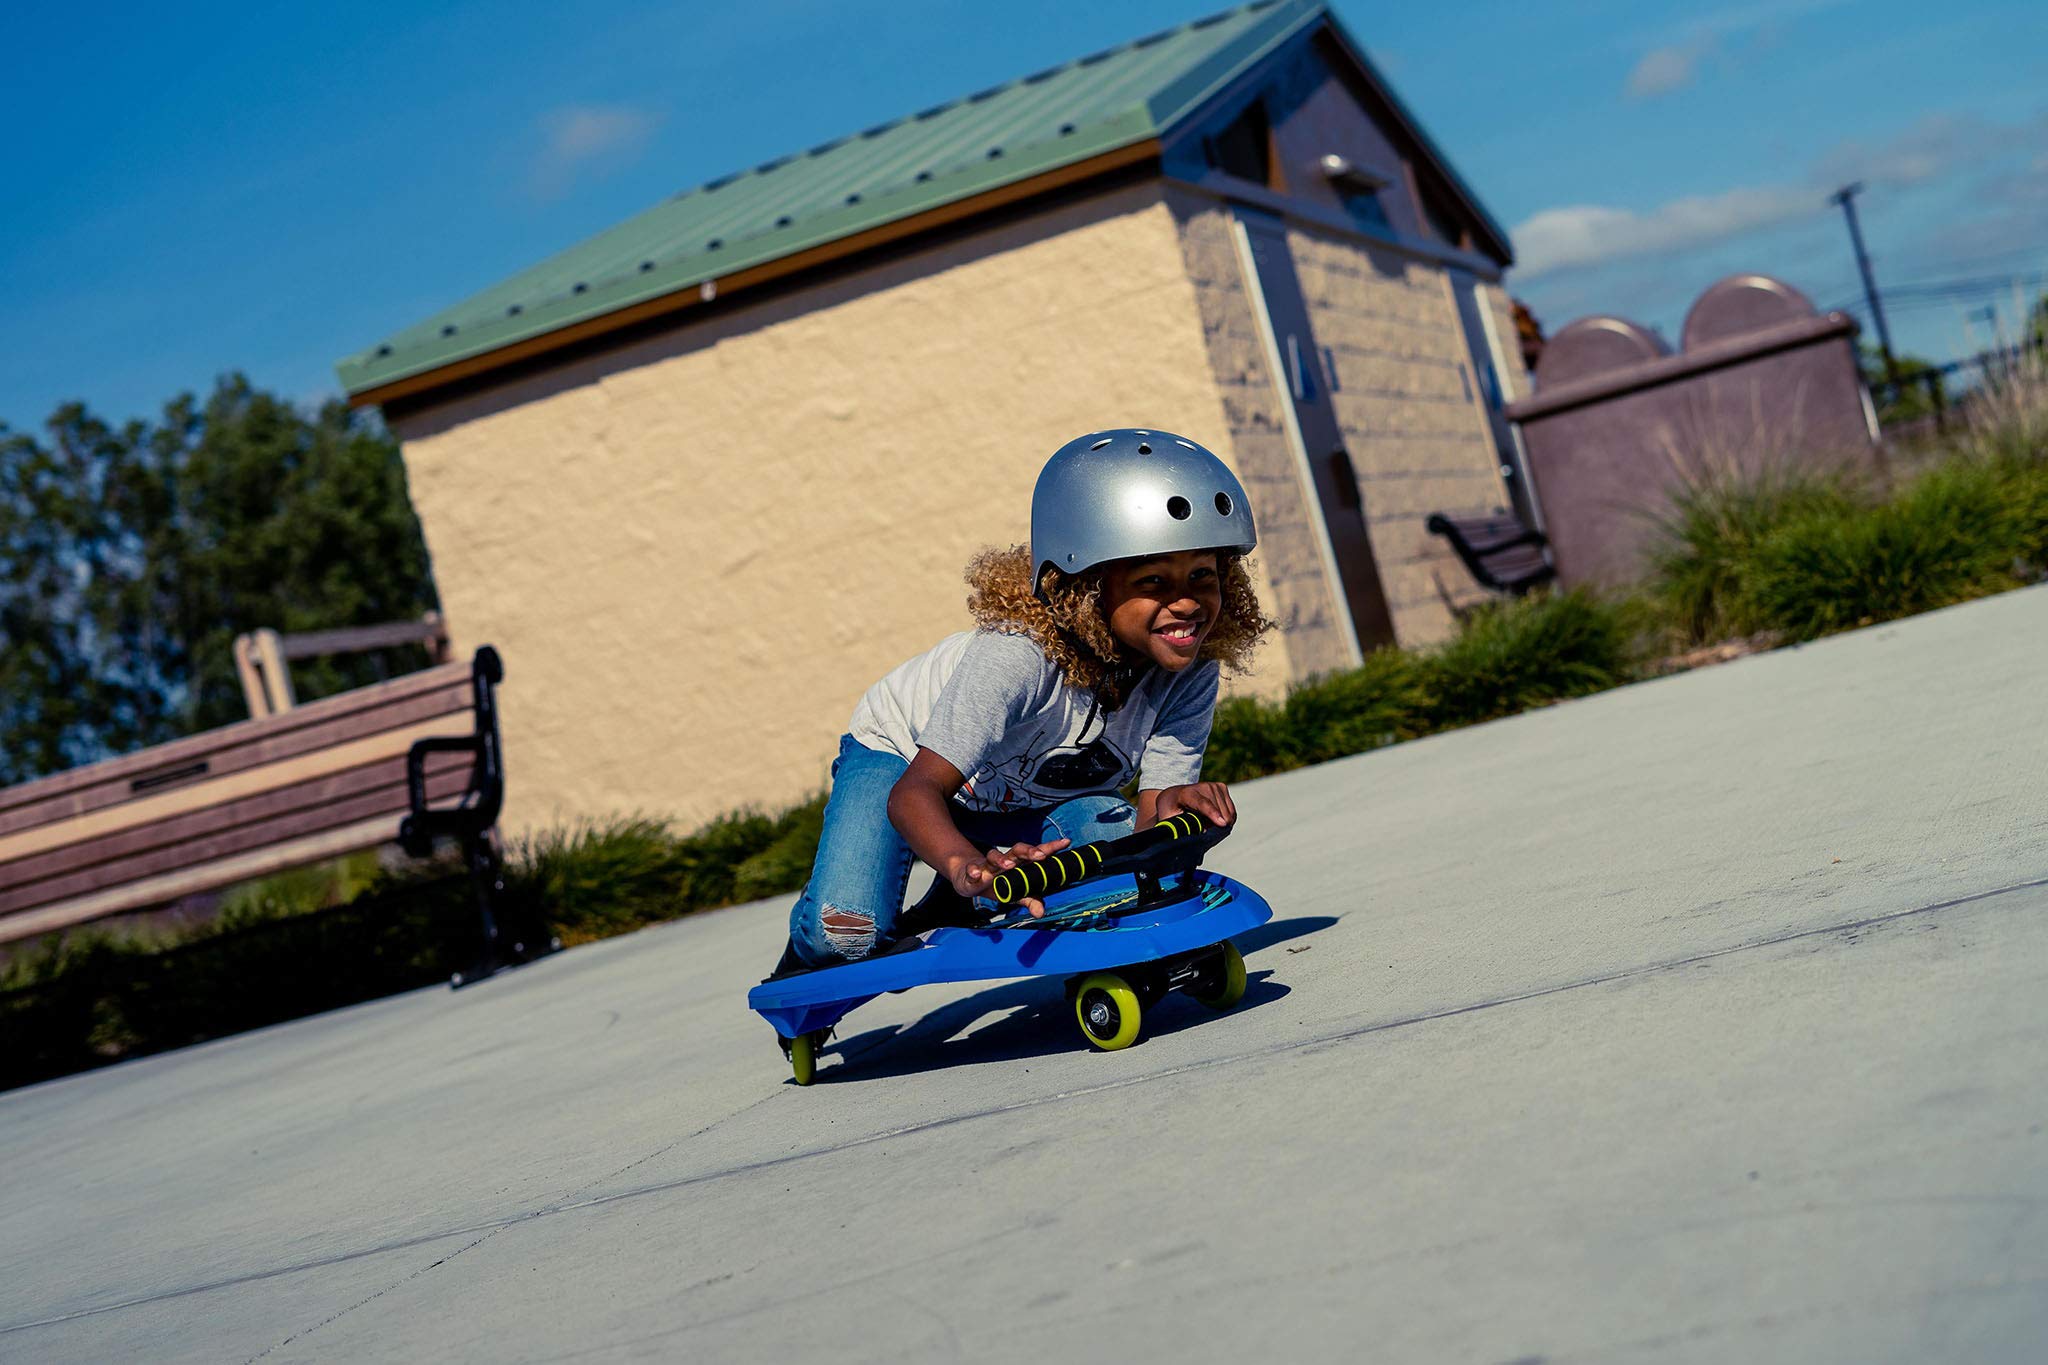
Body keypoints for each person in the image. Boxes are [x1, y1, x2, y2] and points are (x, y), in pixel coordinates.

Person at [776, 428, 1273, 974]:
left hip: (1027, 799)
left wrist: (1180, 813)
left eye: (1202, 574)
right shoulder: (1017, 657)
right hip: (902, 762)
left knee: (1119, 868)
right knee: (847, 933)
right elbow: (913, 792)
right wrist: (962, 863)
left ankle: (960, 899)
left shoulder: (1189, 669)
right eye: (1153, 581)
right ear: (1083, 590)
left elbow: (1147, 829)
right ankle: (812, 942)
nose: (1186, 602)